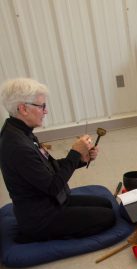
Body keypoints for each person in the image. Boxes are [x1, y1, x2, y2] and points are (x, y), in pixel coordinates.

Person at [0, 78, 115, 242]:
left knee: (106, 204)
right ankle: (48, 236)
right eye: (41, 106)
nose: (45, 111)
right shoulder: (18, 146)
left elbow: (49, 167)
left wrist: (81, 159)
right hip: (41, 217)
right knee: (108, 217)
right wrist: (74, 153)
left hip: (52, 201)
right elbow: (53, 186)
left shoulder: (21, 132)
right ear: (23, 108)